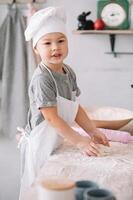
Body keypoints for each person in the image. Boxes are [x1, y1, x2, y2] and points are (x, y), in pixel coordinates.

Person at [18, 6, 109, 197]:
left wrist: (92, 130)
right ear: (36, 48)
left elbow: (74, 109)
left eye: (61, 40)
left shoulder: (68, 72)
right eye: (47, 43)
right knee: (43, 191)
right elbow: (51, 119)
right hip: (41, 144)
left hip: (57, 140)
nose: (55, 47)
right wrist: (80, 142)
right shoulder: (42, 78)